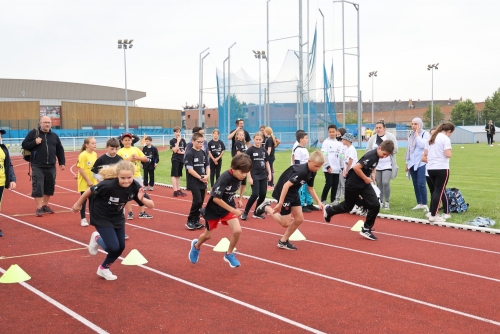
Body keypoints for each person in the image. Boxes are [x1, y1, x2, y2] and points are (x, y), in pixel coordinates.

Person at [72, 160, 154, 281]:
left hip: (117, 216)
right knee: (113, 247)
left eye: (129, 177)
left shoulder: (135, 186)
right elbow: (89, 191)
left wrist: (142, 199)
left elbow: (151, 205)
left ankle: (103, 268)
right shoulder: (108, 185)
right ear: (117, 176)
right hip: (101, 215)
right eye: (123, 178)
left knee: (120, 247)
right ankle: (97, 238)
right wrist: (78, 204)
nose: (126, 181)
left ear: (133, 175)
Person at [189, 154, 252, 268]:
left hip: (228, 207)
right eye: (242, 172)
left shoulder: (242, 176)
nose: (244, 175)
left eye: (246, 172)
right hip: (214, 209)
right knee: (207, 236)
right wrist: (234, 210)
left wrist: (241, 198)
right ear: (233, 168)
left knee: (237, 231)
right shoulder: (225, 178)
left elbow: (243, 185)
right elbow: (216, 198)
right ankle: (196, 246)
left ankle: (229, 254)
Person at [324, 140, 395, 240]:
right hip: (353, 182)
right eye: (384, 154)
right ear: (379, 148)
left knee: (375, 204)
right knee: (347, 207)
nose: (384, 156)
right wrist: (366, 178)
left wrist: (372, 174)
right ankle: (329, 210)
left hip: (363, 184)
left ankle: (366, 229)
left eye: (387, 155)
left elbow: (372, 166)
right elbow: (357, 167)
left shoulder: (377, 155)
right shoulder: (371, 155)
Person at [254, 151, 324, 250]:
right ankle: (266, 207)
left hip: (293, 192)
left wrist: (319, 202)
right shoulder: (301, 171)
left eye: (319, 167)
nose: (317, 169)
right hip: (284, 192)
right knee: (285, 223)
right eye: (316, 166)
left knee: (299, 219)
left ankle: (283, 241)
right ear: (309, 161)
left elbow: (310, 188)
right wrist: (280, 203)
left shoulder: (313, 172)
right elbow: (286, 185)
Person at [21, 116, 66, 217]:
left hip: (51, 165)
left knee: (49, 187)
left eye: (49, 122)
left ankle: (45, 205)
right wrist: (34, 142)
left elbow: (60, 149)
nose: (47, 124)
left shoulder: (54, 136)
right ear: (40, 123)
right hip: (37, 165)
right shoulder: (34, 133)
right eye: (45, 122)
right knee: (38, 186)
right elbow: (24, 144)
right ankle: (39, 208)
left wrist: (62, 162)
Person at [423, 122, 455, 222]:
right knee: (439, 191)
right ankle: (434, 215)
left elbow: (425, 154)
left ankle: (432, 212)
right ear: (449, 131)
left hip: (430, 168)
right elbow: (448, 154)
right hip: (442, 167)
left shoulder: (431, 138)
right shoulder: (445, 139)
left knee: (436, 190)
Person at [117, 133, 153, 219]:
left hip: (136, 175)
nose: (127, 142)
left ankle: (142, 212)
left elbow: (146, 159)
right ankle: (130, 212)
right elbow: (118, 165)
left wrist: (137, 157)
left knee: (141, 192)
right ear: (122, 142)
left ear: (131, 141)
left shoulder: (136, 149)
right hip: (126, 177)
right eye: (125, 140)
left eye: (129, 140)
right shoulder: (120, 152)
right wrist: (129, 159)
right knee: (128, 194)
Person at [366, 119, 398, 210]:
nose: (378, 129)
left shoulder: (390, 137)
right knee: (379, 183)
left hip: (388, 164)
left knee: (385, 182)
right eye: (376, 128)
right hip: (376, 165)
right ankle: (380, 201)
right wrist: (376, 152)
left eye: (380, 127)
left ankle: (387, 202)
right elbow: (368, 150)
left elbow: (395, 149)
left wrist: (385, 150)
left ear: (384, 128)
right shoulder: (373, 138)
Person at [241, 132, 271, 220]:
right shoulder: (250, 150)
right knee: (255, 194)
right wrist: (249, 177)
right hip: (254, 175)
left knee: (263, 194)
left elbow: (267, 162)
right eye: (256, 139)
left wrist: (269, 174)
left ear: (262, 140)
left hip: (263, 175)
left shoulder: (264, 150)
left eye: (260, 140)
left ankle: (257, 213)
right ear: (254, 139)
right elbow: (247, 165)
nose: (258, 141)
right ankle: (245, 212)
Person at [185, 132, 210, 230]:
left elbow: (207, 166)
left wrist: (207, 176)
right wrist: (200, 177)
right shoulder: (190, 153)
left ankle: (196, 220)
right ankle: (190, 220)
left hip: (203, 181)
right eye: (198, 142)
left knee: (201, 202)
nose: (201, 144)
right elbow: (190, 170)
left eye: (202, 142)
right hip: (194, 181)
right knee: (197, 201)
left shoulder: (203, 153)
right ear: (193, 141)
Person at [405, 118, 430, 212]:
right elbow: (408, 150)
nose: (413, 126)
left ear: (420, 124)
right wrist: (407, 163)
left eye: (415, 124)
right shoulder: (410, 136)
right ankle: (419, 203)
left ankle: (424, 203)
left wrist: (417, 134)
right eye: (412, 124)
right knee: (415, 184)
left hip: (421, 162)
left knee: (421, 183)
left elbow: (422, 145)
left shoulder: (425, 134)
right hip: (412, 162)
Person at [293, 131, 319, 213]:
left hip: (308, 172)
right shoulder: (297, 150)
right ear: (301, 140)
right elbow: (297, 163)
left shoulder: (305, 149)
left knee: (308, 188)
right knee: (301, 189)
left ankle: (309, 203)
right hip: (302, 173)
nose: (307, 140)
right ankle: (301, 204)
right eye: (306, 138)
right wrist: (298, 173)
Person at [76, 137, 97, 227]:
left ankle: (92, 218)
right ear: (87, 145)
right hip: (85, 182)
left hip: (94, 181)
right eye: (92, 143)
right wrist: (88, 180)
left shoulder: (95, 154)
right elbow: (81, 169)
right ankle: (83, 219)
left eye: (95, 143)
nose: (95, 145)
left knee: (93, 201)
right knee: (83, 200)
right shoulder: (83, 155)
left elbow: (94, 168)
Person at [321, 124, 343, 205]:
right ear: (328, 132)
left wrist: (342, 166)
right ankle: (323, 200)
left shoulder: (339, 143)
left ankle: (333, 201)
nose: (332, 133)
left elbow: (341, 155)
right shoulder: (326, 142)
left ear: (336, 132)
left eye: (333, 132)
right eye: (330, 132)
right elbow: (324, 155)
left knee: (335, 185)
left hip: (337, 168)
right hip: (328, 168)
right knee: (328, 184)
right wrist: (327, 166)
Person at [0, 129, 17, 235]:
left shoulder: (3, 149)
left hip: (1, 182)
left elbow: (9, 165)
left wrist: (12, 179)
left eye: (0, 135)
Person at [170, 126, 187, 197]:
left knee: (179, 175)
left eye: (179, 132)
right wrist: (178, 141)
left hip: (181, 159)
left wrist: (182, 153)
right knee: (174, 174)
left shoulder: (183, 140)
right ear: (174, 133)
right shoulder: (172, 141)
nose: (178, 133)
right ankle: (175, 191)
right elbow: (174, 150)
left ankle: (178, 189)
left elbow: (185, 150)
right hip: (175, 159)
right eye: (176, 132)